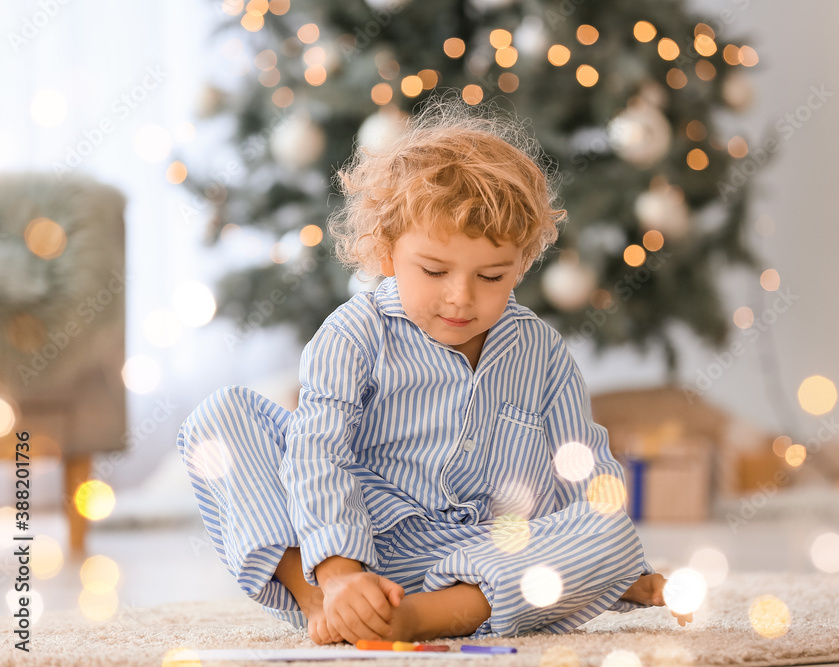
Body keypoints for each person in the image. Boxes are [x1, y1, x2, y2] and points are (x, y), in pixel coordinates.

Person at [176, 93, 691, 645]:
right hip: (356, 546)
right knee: (220, 416)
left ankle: (417, 619)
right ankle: (330, 605)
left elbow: (584, 470)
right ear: (386, 251)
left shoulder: (540, 351)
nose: (460, 298)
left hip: (481, 563)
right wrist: (341, 572)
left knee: (608, 524)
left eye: (491, 276)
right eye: (433, 269)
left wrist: (615, 565)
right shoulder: (356, 333)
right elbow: (317, 451)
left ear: (523, 261)